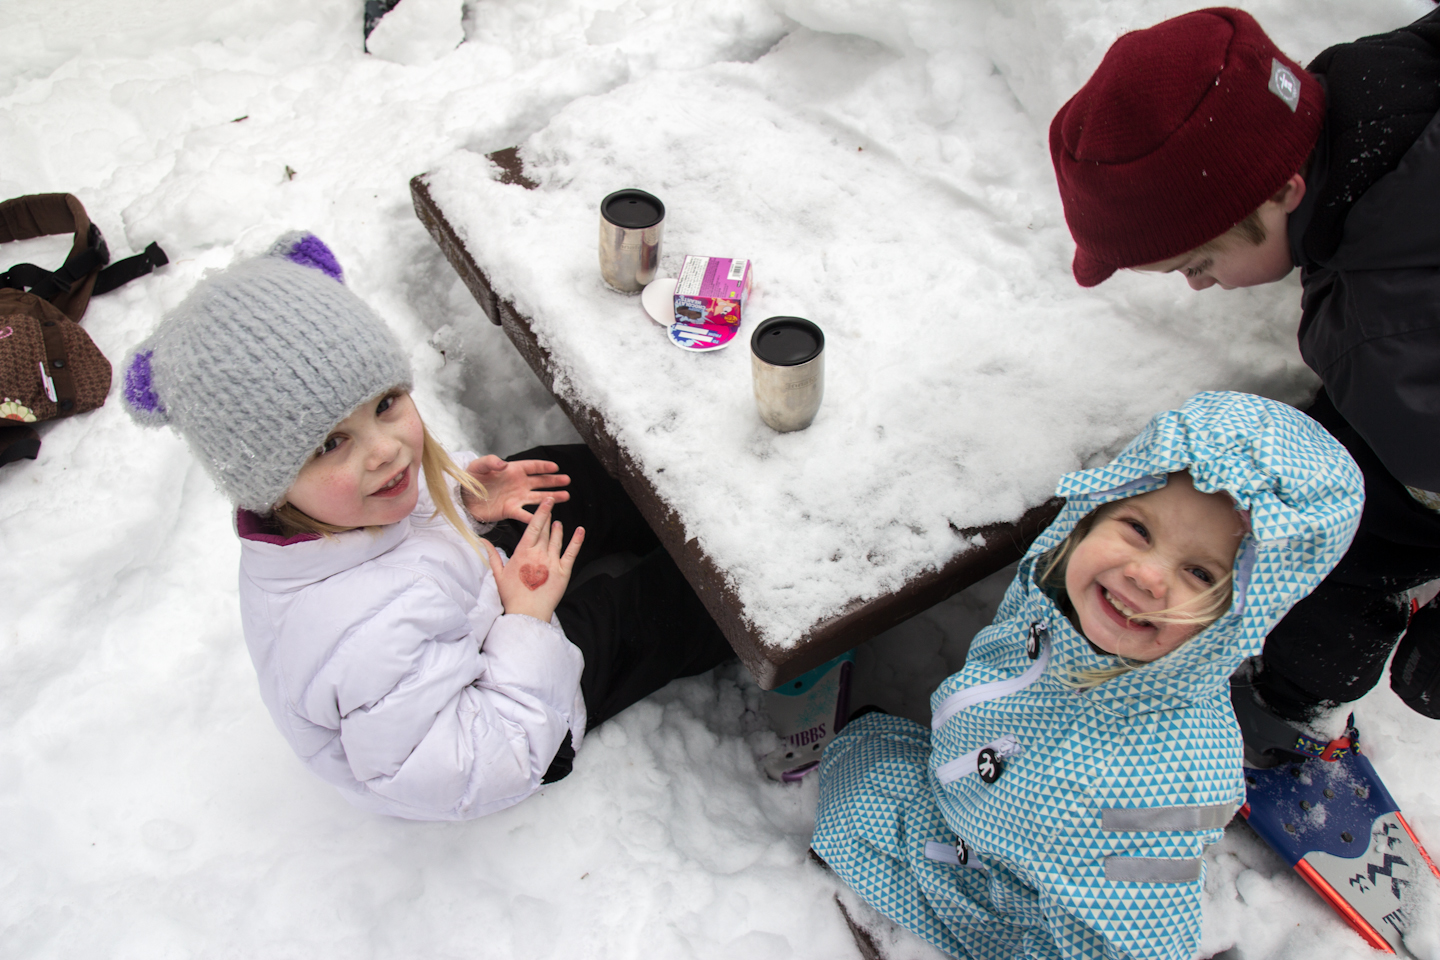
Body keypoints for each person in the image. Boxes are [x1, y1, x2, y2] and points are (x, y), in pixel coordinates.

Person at [120, 232, 732, 820]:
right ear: (266, 479)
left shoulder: (333, 508)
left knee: (556, 482)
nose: (385, 451)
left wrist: (463, 500)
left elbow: (398, 537)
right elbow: (481, 764)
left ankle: (685, 496)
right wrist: (525, 622)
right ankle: (730, 587)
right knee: (646, 612)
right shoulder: (355, 639)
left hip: (458, 606)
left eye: (386, 404)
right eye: (332, 442)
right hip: (508, 724)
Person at [811, 392, 1363, 960]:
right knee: (864, 757)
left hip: (1017, 901)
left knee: (849, 815)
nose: (1147, 575)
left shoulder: (1144, 792)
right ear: (1097, 508)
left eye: (1199, 572)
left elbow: (1137, 945)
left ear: (1240, 617)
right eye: (1138, 528)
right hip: (991, 796)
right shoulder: (1058, 592)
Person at [1048, 6, 1440, 761]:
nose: (1198, 286)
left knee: (1349, 558)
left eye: (1198, 264)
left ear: (1286, 189)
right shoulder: (1379, 89)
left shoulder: (1389, 340)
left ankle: (1286, 713)